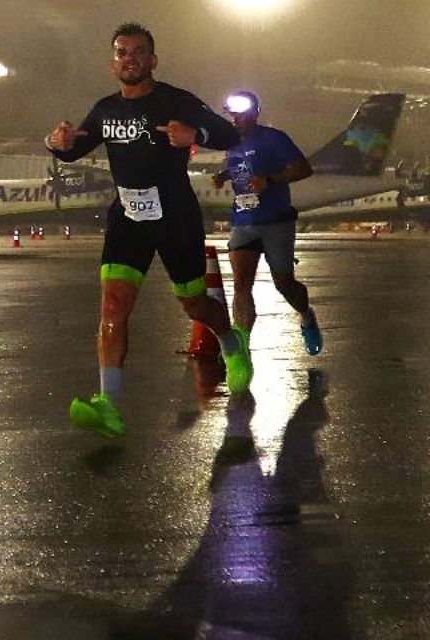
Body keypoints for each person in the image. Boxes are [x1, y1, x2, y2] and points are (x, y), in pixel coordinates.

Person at [45, 23, 254, 439]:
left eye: (138, 52)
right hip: (128, 219)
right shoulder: (105, 110)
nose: (130, 58)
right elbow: (72, 150)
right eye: (122, 52)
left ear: (153, 60)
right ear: (112, 63)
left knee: (195, 305)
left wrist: (197, 135)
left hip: (175, 218)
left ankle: (231, 343)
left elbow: (230, 133)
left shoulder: (175, 101)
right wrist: (56, 142)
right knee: (112, 308)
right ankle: (109, 405)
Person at [212, 91, 322, 355]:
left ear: (255, 113)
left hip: (276, 221)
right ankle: (243, 350)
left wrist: (269, 180)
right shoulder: (231, 143)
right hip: (243, 220)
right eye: (233, 115)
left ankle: (306, 315)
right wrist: (224, 175)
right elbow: (243, 167)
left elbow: (303, 169)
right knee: (241, 284)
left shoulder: (274, 139)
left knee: (284, 284)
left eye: (243, 114)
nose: (237, 119)